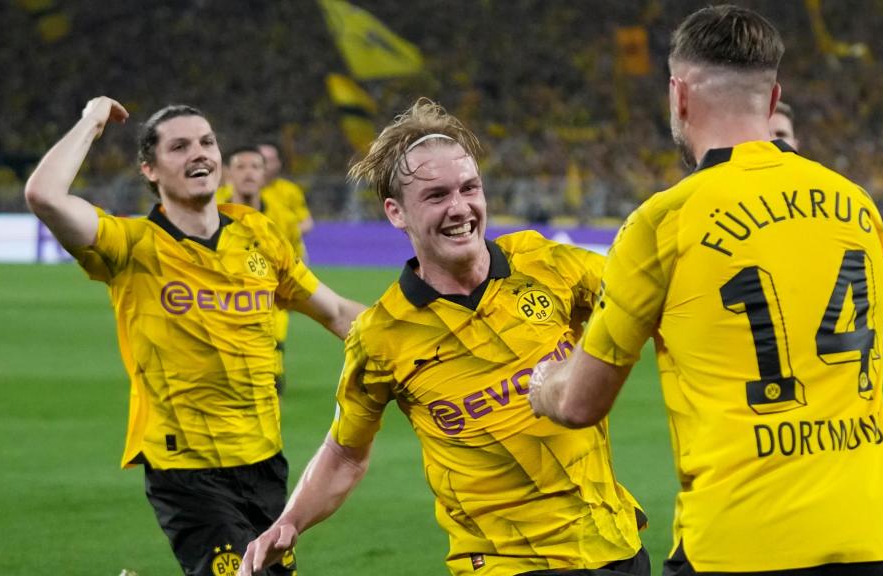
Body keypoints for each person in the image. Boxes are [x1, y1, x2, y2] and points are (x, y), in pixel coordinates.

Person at [529, 6, 883, 576]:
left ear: (679, 96)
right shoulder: (857, 206)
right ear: (774, 97)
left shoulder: (664, 221)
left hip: (737, 543)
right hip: (874, 541)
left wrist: (544, 383)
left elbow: (579, 403)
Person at [239, 98, 650, 576]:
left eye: (469, 188)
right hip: (502, 562)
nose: (460, 208)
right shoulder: (381, 335)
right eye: (436, 196)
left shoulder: (544, 263)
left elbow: (643, 295)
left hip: (612, 545)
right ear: (396, 212)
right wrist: (290, 521)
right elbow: (344, 451)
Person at [24, 97, 366, 576]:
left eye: (207, 142)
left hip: (264, 459)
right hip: (185, 465)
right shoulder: (131, 245)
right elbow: (44, 196)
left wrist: (420, 335)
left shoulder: (257, 235)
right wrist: (92, 120)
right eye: (179, 147)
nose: (199, 153)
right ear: (149, 169)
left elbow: (335, 311)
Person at [224, 145, 303, 393]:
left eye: (255, 167)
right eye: (241, 167)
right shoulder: (209, 211)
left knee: (270, 378)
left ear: (264, 173)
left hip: (269, 307)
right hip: (218, 308)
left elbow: (296, 263)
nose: (248, 173)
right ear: (228, 173)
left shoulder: (283, 217)